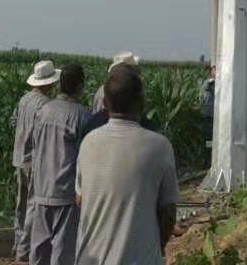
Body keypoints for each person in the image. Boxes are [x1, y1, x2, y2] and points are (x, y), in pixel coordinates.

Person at [74, 64, 179, 265]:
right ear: (142, 103)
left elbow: (81, 199)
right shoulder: (159, 146)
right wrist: (158, 245)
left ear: (105, 102)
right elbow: (168, 212)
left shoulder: (89, 142)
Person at [29, 64, 90, 265]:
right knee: (62, 252)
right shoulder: (81, 115)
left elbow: (35, 145)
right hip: (65, 190)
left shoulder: (43, 110)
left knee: (39, 249)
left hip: (41, 186)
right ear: (80, 86)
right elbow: (86, 157)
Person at [12, 60, 60, 264]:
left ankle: (17, 244)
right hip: (34, 160)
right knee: (32, 204)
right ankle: (23, 251)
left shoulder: (24, 99)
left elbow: (13, 121)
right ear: (49, 83)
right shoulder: (45, 105)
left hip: (18, 158)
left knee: (21, 205)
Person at [198, 65, 215, 156]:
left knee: (211, 139)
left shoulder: (212, 84)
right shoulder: (208, 83)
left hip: (213, 116)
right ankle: (207, 157)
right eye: (214, 69)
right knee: (208, 139)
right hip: (208, 116)